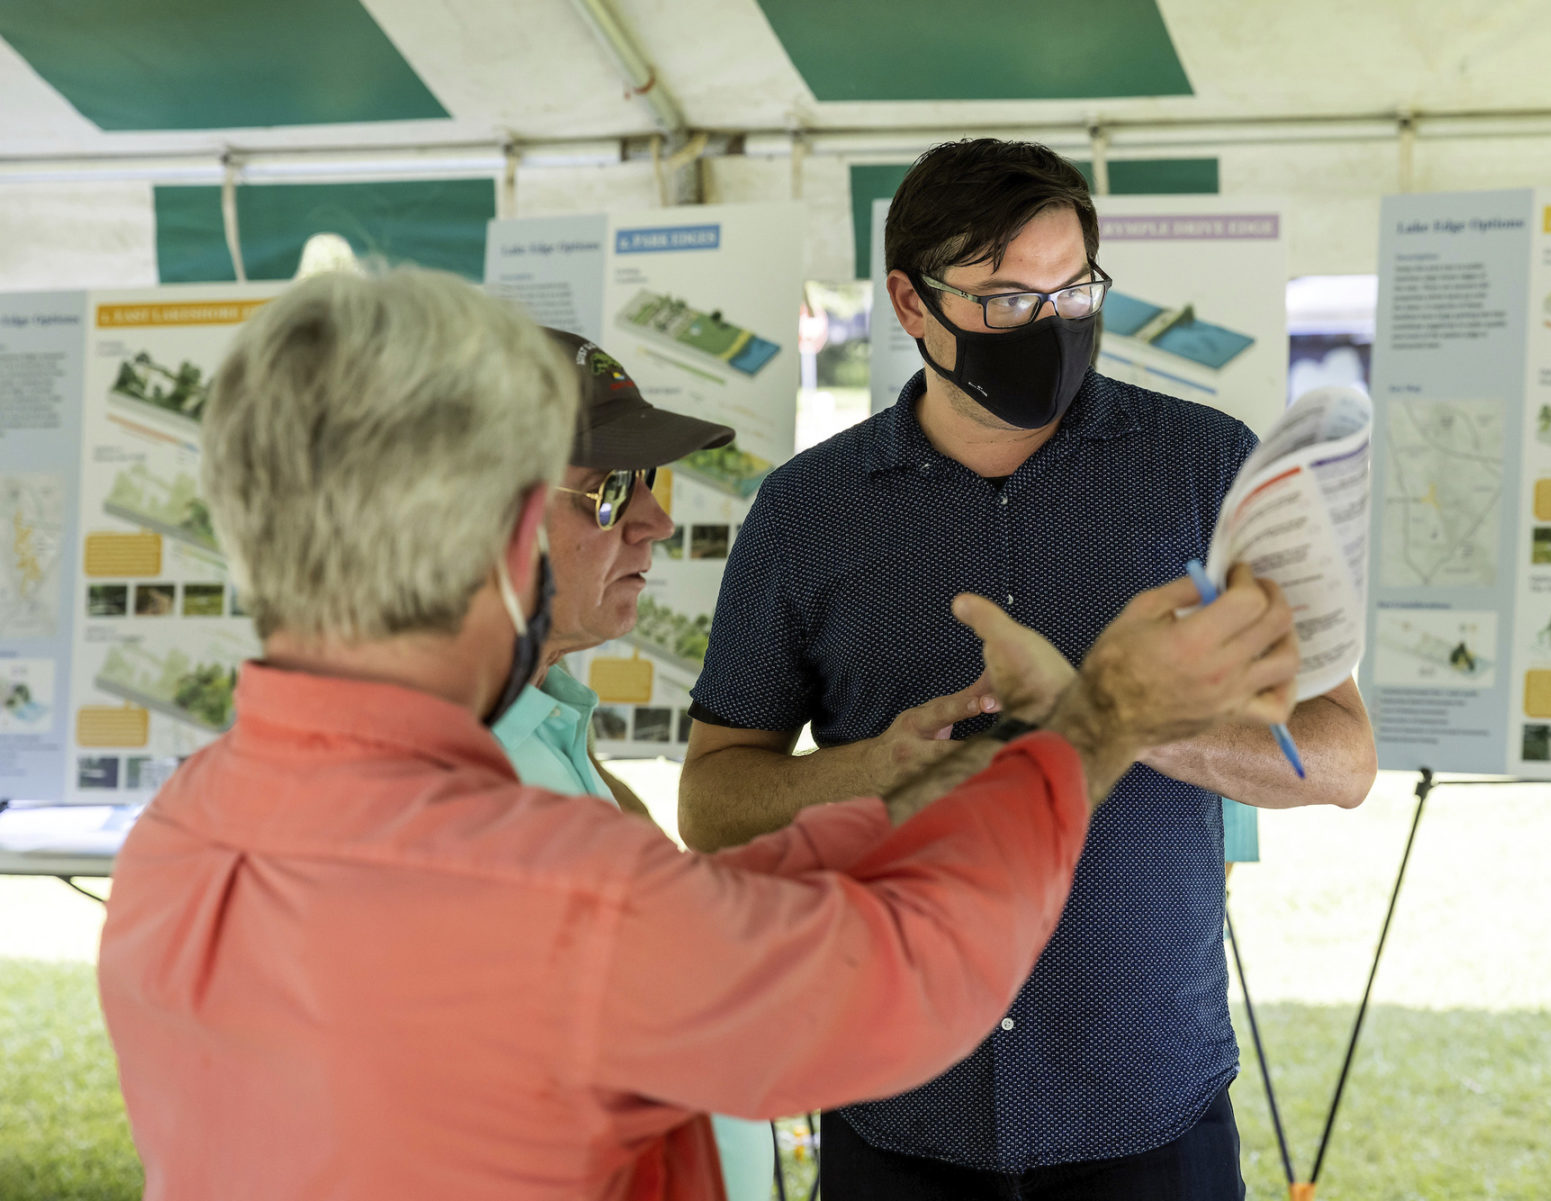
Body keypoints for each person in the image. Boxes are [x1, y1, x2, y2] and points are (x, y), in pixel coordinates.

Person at [94, 265, 1304, 1201]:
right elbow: (896, 980)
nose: (655, 522)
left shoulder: (189, 823)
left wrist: (905, 798)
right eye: (600, 494)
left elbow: (687, 921)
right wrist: (1102, 724)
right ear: (500, 533)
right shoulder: (532, 889)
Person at [679, 139, 1380, 1198]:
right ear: (912, 306)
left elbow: (1341, 758)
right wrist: (873, 769)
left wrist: (1125, 715)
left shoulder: (1203, 468)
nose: (1051, 326)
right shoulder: (807, 512)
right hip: (901, 1101)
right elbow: (711, 799)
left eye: (1075, 290)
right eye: (1007, 301)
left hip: (1147, 1108)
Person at [489, 327, 773, 1199]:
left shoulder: (547, 730)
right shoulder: (456, 787)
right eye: (612, 490)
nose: (656, 521)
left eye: (650, 484)